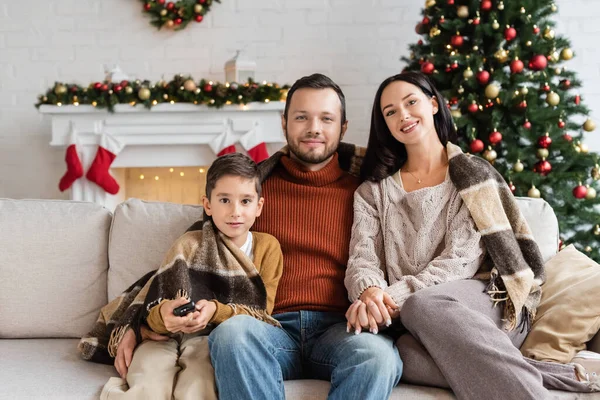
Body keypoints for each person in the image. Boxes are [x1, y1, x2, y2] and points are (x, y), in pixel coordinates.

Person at [109, 73, 402, 400]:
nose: (313, 128)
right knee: (232, 334)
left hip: (341, 328)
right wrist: (136, 325)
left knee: (378, 357)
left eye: (326, 119)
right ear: (284, 122)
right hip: (269, 327)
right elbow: (191, 255)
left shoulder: (367, 193)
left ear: (343, 127)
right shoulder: (251, 191)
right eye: (301, 117)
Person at [344, 70, 598, 399]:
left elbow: (459, 261)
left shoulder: (468, 173)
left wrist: (391, 300)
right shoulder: (371, 191)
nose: (403, 115)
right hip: (415, 322)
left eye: (411, 102)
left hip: (483, 304)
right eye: (390, 111)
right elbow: (363, 256)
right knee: (399, 353)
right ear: (384, 124)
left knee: (422, 305)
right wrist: (369, 293)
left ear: (433, 104)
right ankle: (533, 373)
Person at [81, 153, 284, 400]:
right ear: (207, 205)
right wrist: (165, 318)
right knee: (148, 379)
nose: (235, 211)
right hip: (164, 335)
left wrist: (215, 310)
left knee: (199, 383)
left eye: (245, 201)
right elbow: (155, 303)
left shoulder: (267, 248)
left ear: (258, 206)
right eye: (224, 200)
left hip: (210, 337)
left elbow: (262, 314)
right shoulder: (188, 244)